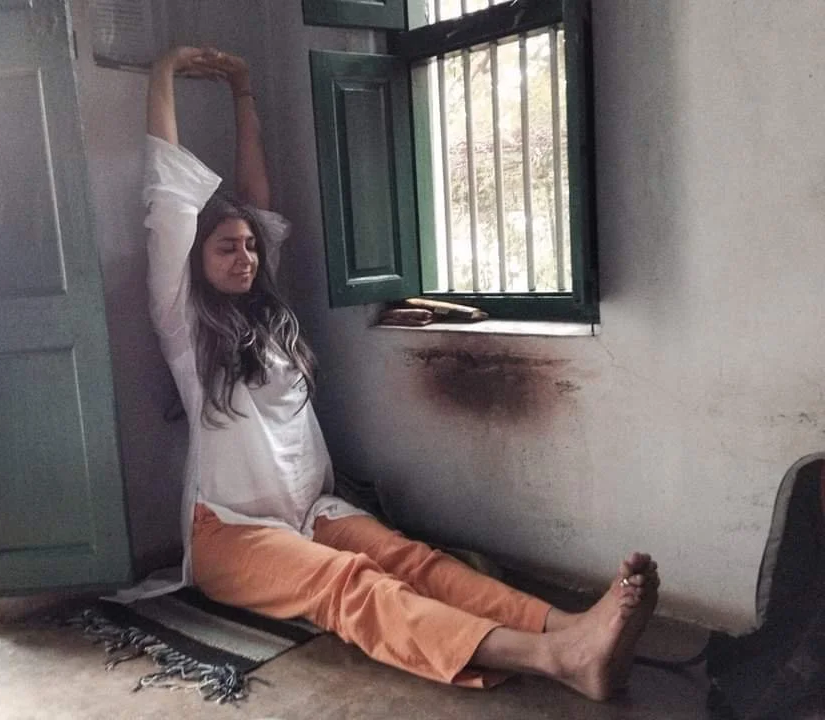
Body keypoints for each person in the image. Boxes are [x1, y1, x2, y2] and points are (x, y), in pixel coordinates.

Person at [140, 45, 660, 702]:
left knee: (412, 559)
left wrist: (244, 90)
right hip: (232, 532)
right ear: (195, 261)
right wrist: (161, 73)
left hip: (310, 512)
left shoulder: (269, 318)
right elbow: (166, 193)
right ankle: (555, 657)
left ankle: (573, 624)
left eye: (249, 246)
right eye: (226, 247)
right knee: (352, 586)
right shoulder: (183, 324)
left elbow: (259, 202)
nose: (245, 256)